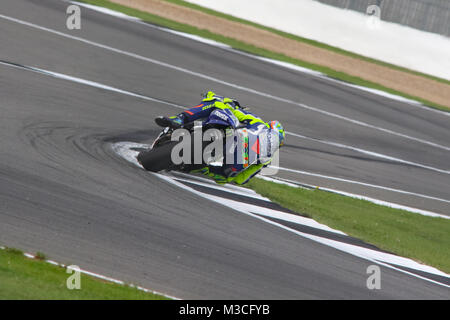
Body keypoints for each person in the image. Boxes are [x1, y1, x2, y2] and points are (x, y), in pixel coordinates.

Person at [155, 91, 285, 185]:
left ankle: (180, 119)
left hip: (226, 139)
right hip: (223, 155)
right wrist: (210, 171)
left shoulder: (259, 124)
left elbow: (236, 111)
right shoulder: (266, 158)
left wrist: (229, 104)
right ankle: (197, 166)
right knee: (224, 175)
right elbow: (241, 179)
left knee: (216, 101)